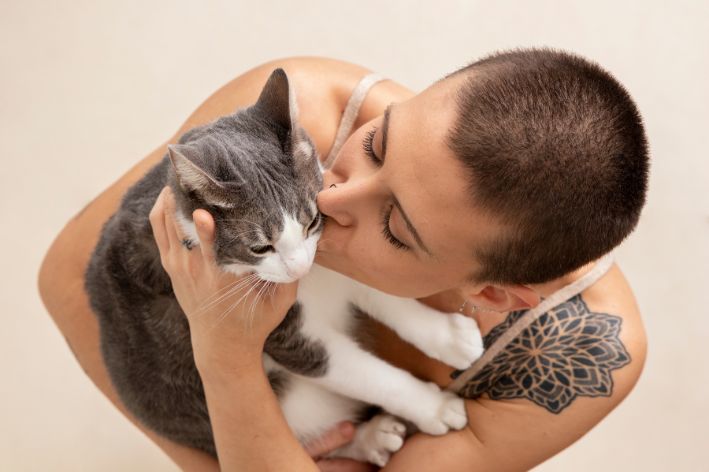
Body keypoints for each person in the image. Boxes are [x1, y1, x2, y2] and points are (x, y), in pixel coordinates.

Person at [38, 48, 649, 471]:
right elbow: (66, 279)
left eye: (395, 226)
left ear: (490, 296)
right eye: (377, 144)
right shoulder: (302, 110)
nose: (331, 196)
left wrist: (236, 377)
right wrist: (233, 420)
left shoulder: (580, 352)